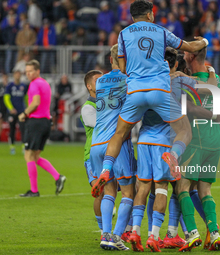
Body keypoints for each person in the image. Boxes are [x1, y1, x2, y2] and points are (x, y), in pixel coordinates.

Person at [92, 0, 208, 202]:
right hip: (158, 91)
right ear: (148, 15)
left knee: (119, 134)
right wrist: (204, 41)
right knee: (184, 130)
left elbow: (123, 68)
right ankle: (173, 155)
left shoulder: (123, 34)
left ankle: (105, 169)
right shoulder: (161, 31)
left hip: (135, 91)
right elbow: (190, 46)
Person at [176, 47, 220, 251]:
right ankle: (214, 233)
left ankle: (192, 233)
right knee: (205, 190)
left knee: (182, 188)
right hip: (215, 141)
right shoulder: (216, 79)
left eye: (187, 52)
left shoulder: (185, 80)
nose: (184, 53)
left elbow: (190, 108)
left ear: (191, 56)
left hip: (194, 139)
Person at [90, 45, 135, 251]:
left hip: (96, 144)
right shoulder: (128, 81)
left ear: (110, 59)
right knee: (128, 192)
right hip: (115, 144)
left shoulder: (99, 81)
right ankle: (117, 236)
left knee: (109, 190)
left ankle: (105, 235)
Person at [18, 60, 66, 197]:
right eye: (26, 71)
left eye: (31, 71)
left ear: (37, 71)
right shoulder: (45, 83)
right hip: (46, 122)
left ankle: (34, 191)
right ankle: (58, 177)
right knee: (35, 156)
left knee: (28, 155)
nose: (28, 74)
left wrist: (24, 113)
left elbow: (36, 102)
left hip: (36, 122)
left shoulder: (34, 84)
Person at [80, 69, 105, 239]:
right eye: (98, 80)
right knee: (100, 192)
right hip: (93, 156)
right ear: (89, 86)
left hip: (112, 153)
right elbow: (102, 125)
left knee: (128, 189)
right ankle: (104, 230)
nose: (102, 82)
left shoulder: (108, 102)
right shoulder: (88, 108)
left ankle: (125, 229)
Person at [4, 71, 28, 154]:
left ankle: (23, 147)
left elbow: (26, 98)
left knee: (23, 129)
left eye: (19, 74)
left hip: (21, 112)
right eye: (16, 74)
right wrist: (11, 108)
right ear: (14, 75)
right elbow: (6, 98)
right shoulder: (10, 86)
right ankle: (12, 147)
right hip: (12, 112)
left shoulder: (23, 86)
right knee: (12, 129)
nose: (18, 76)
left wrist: (27, 109)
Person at [0, 74, 9, 141]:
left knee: (10, 122)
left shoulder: (9, 86)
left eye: (6, 77)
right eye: (4, 77)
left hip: (8, 106)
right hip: (1, 106)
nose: (5, 79)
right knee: (0, 121)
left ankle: (10, 137)